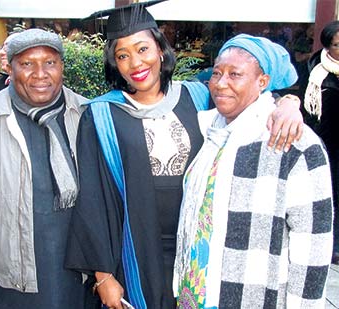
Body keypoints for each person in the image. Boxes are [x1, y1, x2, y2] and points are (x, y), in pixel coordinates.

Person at [65, 2, 304, 308]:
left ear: (161, 50)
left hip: (198, 246)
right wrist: (103, 277)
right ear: (115, 63)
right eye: (122, 55)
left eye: (142, 49)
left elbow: (251, 106)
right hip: (134, 252)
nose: (135, 63)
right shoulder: (100, 115)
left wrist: (287, 102)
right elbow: (93, 201)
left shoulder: (199, 96)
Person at [173, 34, 333, 308]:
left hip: (251, 296)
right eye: (217, 73)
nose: (221, 84)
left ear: (263, 82)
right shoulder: (210, 130)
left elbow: (313, 248)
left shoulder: (292, 142)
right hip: (197, 293)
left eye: (235, 74)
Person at [0, 28, 96, 309]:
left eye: (50, 62)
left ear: (62, 66)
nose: (40, 74)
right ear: (10, 69)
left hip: (84, 281)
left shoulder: (88, 115)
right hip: (14, 283)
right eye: (27, 64)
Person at [303, 20, 339, 265]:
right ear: (327, 46)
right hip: (328, 145)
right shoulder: (314, 72)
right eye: (337, 44)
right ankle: (332, 247)